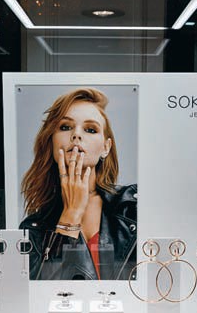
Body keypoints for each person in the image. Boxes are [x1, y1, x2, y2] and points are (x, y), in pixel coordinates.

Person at [19, 87, 137, 280]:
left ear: (106, 148)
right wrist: (70, 215)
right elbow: (44, 294)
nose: (76, 135)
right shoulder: (33, 229)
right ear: (51, 141)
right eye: (65, 127)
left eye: (90, 129)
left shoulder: (133, 208)